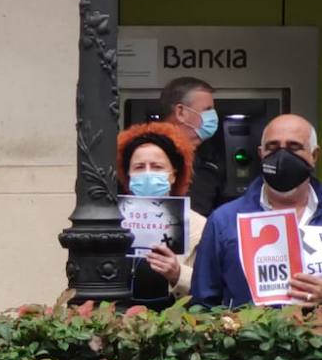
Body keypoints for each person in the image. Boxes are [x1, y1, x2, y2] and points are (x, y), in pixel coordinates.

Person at [191, 114, 322, 309]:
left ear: (314, 155)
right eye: (272, 147)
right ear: (261, 154)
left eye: (294, 147)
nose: (282, 156)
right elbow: (203, 304)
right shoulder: (224, 221)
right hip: (249, 338)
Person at [115, 122, 206, 310]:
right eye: (139, 167)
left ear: (173, 174)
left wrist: (178, 274)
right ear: (128, 175)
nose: (148, 173)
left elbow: (211, 287)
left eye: (157, 167)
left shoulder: (198, 226)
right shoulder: (112, 221)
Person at [159, 76, 228, 216]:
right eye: (207, 110)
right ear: (181, 113)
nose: (213, 116)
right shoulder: (147, 155)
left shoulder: (210, 160)